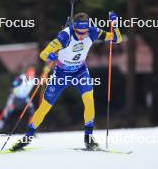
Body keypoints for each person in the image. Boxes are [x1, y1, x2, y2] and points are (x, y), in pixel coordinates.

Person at [10, 12, 122, 151]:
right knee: (44, 107)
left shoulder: (93, 31)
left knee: (89, 101)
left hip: (80, 72)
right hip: (61, 75)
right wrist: (49, 55)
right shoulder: (65, 36)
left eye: (84, 32)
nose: (82, 36)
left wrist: (115, 25)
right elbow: (43, 53)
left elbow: (116, 39)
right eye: (79, 32)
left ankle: (89, 138)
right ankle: (27, 137)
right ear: (74, 28)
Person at [0, 67, 36, 132]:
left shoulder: (34, 80)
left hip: (25, 98)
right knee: (6, 113)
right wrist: (12, 100)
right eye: (30, 74)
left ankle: (31, 129)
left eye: (32, 75)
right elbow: (12, 88)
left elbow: (41, 80)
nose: (31, 76)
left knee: (32, 112)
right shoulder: (20, 79)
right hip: (15, 97)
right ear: (26, 73)